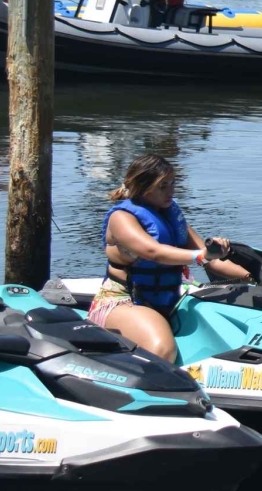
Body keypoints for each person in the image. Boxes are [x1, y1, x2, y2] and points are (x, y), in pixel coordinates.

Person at [92, 154, 249, 361]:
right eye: (162, 186)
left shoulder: (169, 215)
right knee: (163, 349)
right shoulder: (121, 218)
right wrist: (202, 255)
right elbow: (153, 252)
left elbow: (213, 262)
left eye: (172, 183)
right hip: (125, 301)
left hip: (171, 299)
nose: (171, 191)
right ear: (142, 186)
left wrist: (254, 276)